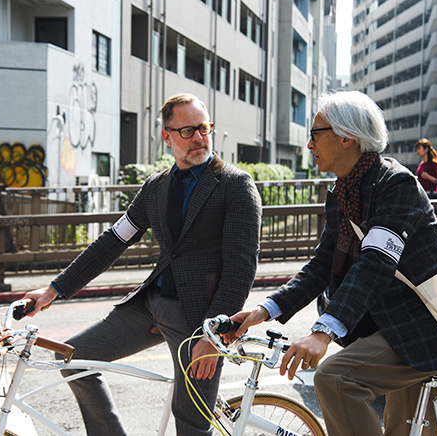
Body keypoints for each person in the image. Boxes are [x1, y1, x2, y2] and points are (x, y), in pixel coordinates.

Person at [23, 93, 262, 436]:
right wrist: (53, 289)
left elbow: (241, 269)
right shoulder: (156, 187)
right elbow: (113, 241)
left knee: (192, 424)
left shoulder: (236, 185)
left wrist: (215, 336)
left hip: (200, 319)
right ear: (167, 136)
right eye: (188, 131)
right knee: (75, 358)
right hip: (150, 305)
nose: (199, 137)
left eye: (204, 128)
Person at [231, 91, 437, 436]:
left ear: (346, 138)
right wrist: (266, 309)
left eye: (315, 134)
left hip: (420, 327)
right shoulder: (342, 191)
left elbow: (375, 263)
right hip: (385, 325)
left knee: (334, 379)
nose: (310, 145)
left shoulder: (396, 185)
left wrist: (323, 331)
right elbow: (324, 263)